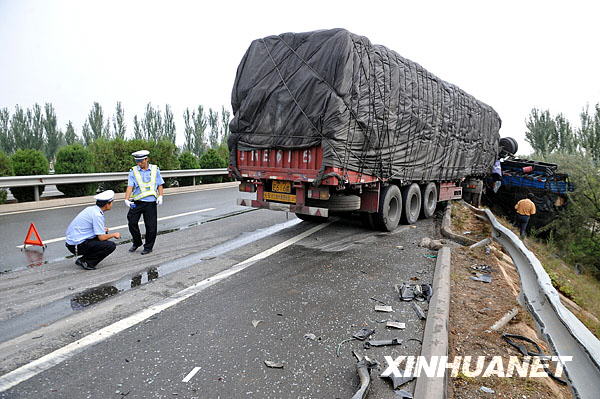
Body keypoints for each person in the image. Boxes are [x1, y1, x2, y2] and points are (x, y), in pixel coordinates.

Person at [65, 190, 121, 270]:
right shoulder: (98, 215)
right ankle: (88, 262)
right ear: (107, 204)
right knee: (110, 245)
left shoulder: (92, 209)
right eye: (111, 202)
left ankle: (82, 260)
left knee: (104, 233)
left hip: (72, 243)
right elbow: (101, 237)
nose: (112, 204)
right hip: (76, 246)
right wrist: (114, 235)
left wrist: (103, 230)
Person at [124, 150, 164, 255]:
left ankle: (148, 247)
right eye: (137, 162)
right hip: (137, 202)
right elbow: (130, 186)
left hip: (150, 203)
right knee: (132, 222)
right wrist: (126, 199)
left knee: (151, 226)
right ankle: (137, 242)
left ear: (146, 159)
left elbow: (160, 184)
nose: (139, 164)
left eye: (141, 161)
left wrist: (160, 196)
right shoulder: (133, 171)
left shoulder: (155, 170)